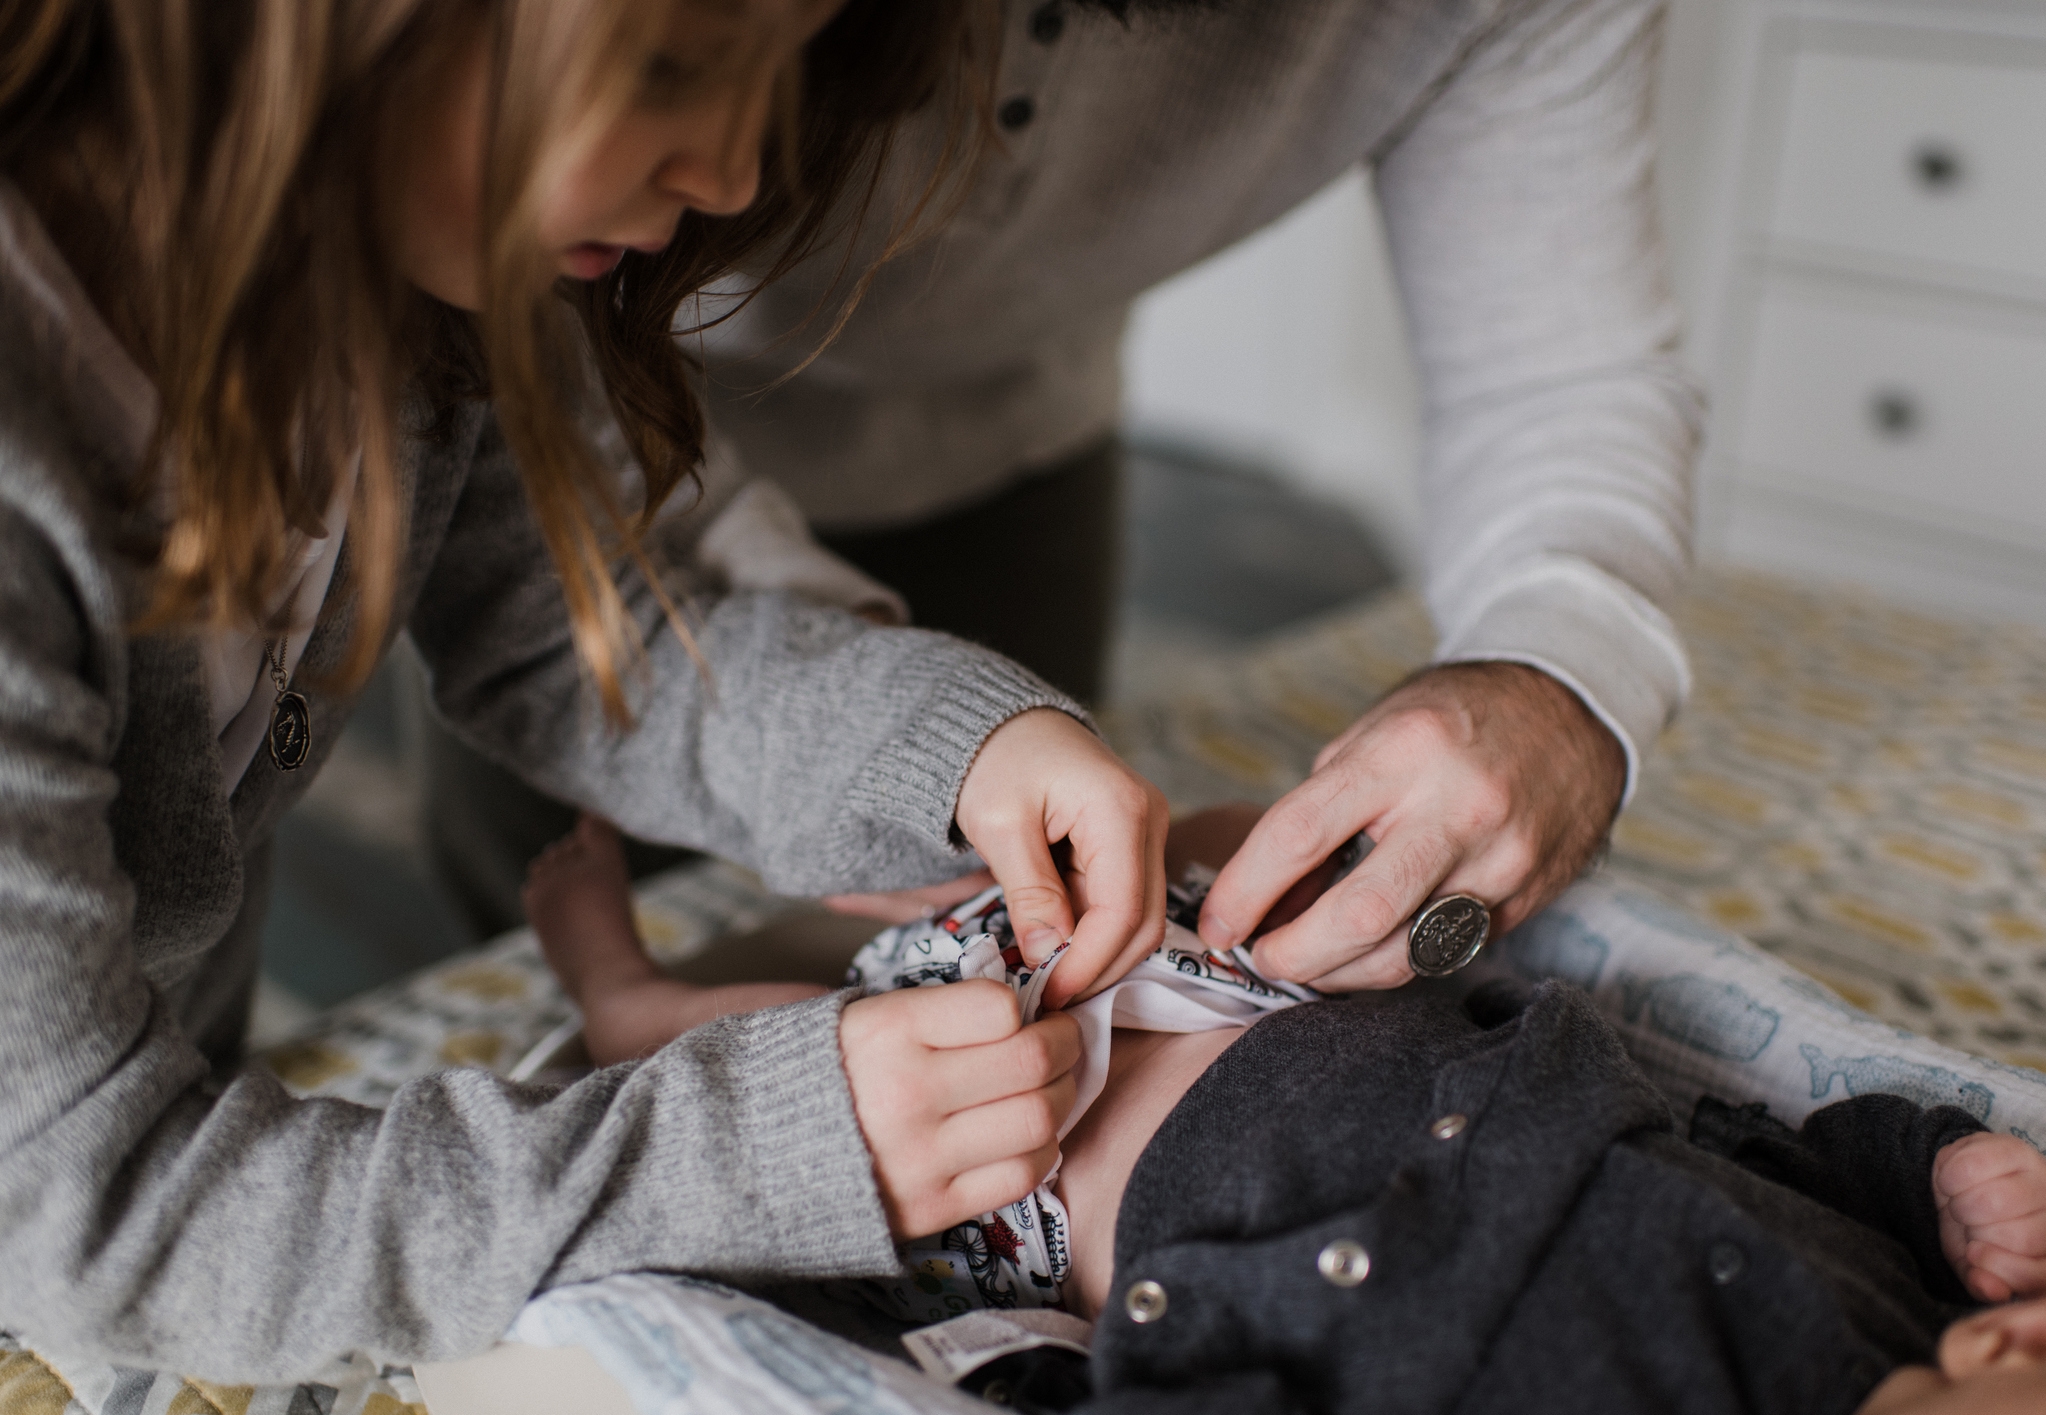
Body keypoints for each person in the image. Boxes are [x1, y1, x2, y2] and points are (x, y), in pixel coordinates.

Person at [0, 0, 1173, 1380]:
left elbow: (578, 639)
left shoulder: (382, 265)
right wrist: (752, 1145)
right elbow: (104, 1217)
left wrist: (954, 747)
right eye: (670, 69)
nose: (732, 176)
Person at [433, 0, 1700, 1001]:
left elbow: (1564, 372)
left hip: (1011, 437)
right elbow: (547, 628)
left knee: (1011, 870)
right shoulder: (426, 373)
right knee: (550, 941)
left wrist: (1557, 684)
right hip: (559, 433)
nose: (727, 171)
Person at [525, 805, 2046, 1414]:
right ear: (2022, 1340)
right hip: (1290, 991)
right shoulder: (1909, 1286)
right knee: (1112, 854)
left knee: (836, 1071)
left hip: (1044, 1185)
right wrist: (1947, 1160)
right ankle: (776, 810)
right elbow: (1799, 1138)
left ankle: (634, 1003)